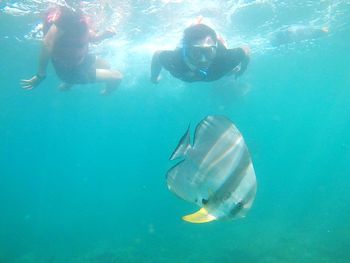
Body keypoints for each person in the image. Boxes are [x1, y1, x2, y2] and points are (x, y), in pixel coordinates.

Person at [21, 4, 122, 95]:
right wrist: (40, 74)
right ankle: (105, 93)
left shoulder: (76, 18)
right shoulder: (65, 19)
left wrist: (104, 35)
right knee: (117, 76)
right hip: (70, 71)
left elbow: (89, 36)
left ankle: (69, 83)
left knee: (106, 65)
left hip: (81, 60)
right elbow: (47, 44)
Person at [151, 23, 250, 83]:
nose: (203, 60)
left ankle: (215, 39)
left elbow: (246, 49)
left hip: (219, 54)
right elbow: (157, 54)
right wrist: (154, 76)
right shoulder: (175, 60)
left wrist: (242, 70)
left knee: (229, 71)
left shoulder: (225, 59)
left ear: (215, 48)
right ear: (186, 50)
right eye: (196, 52)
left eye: (208, 52)